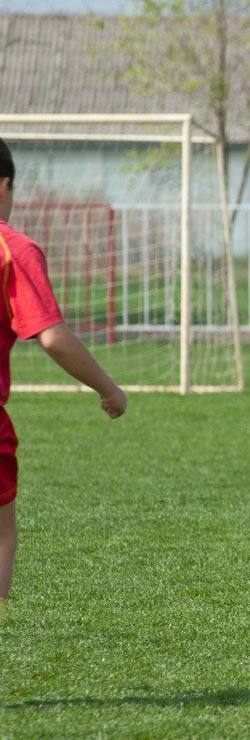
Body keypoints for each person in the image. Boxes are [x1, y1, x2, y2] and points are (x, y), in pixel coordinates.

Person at [0, 138, 127, 624]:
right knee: (1, 535)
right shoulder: (12, 248)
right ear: (4, 185)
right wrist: (109, 389)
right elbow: (52, 338)